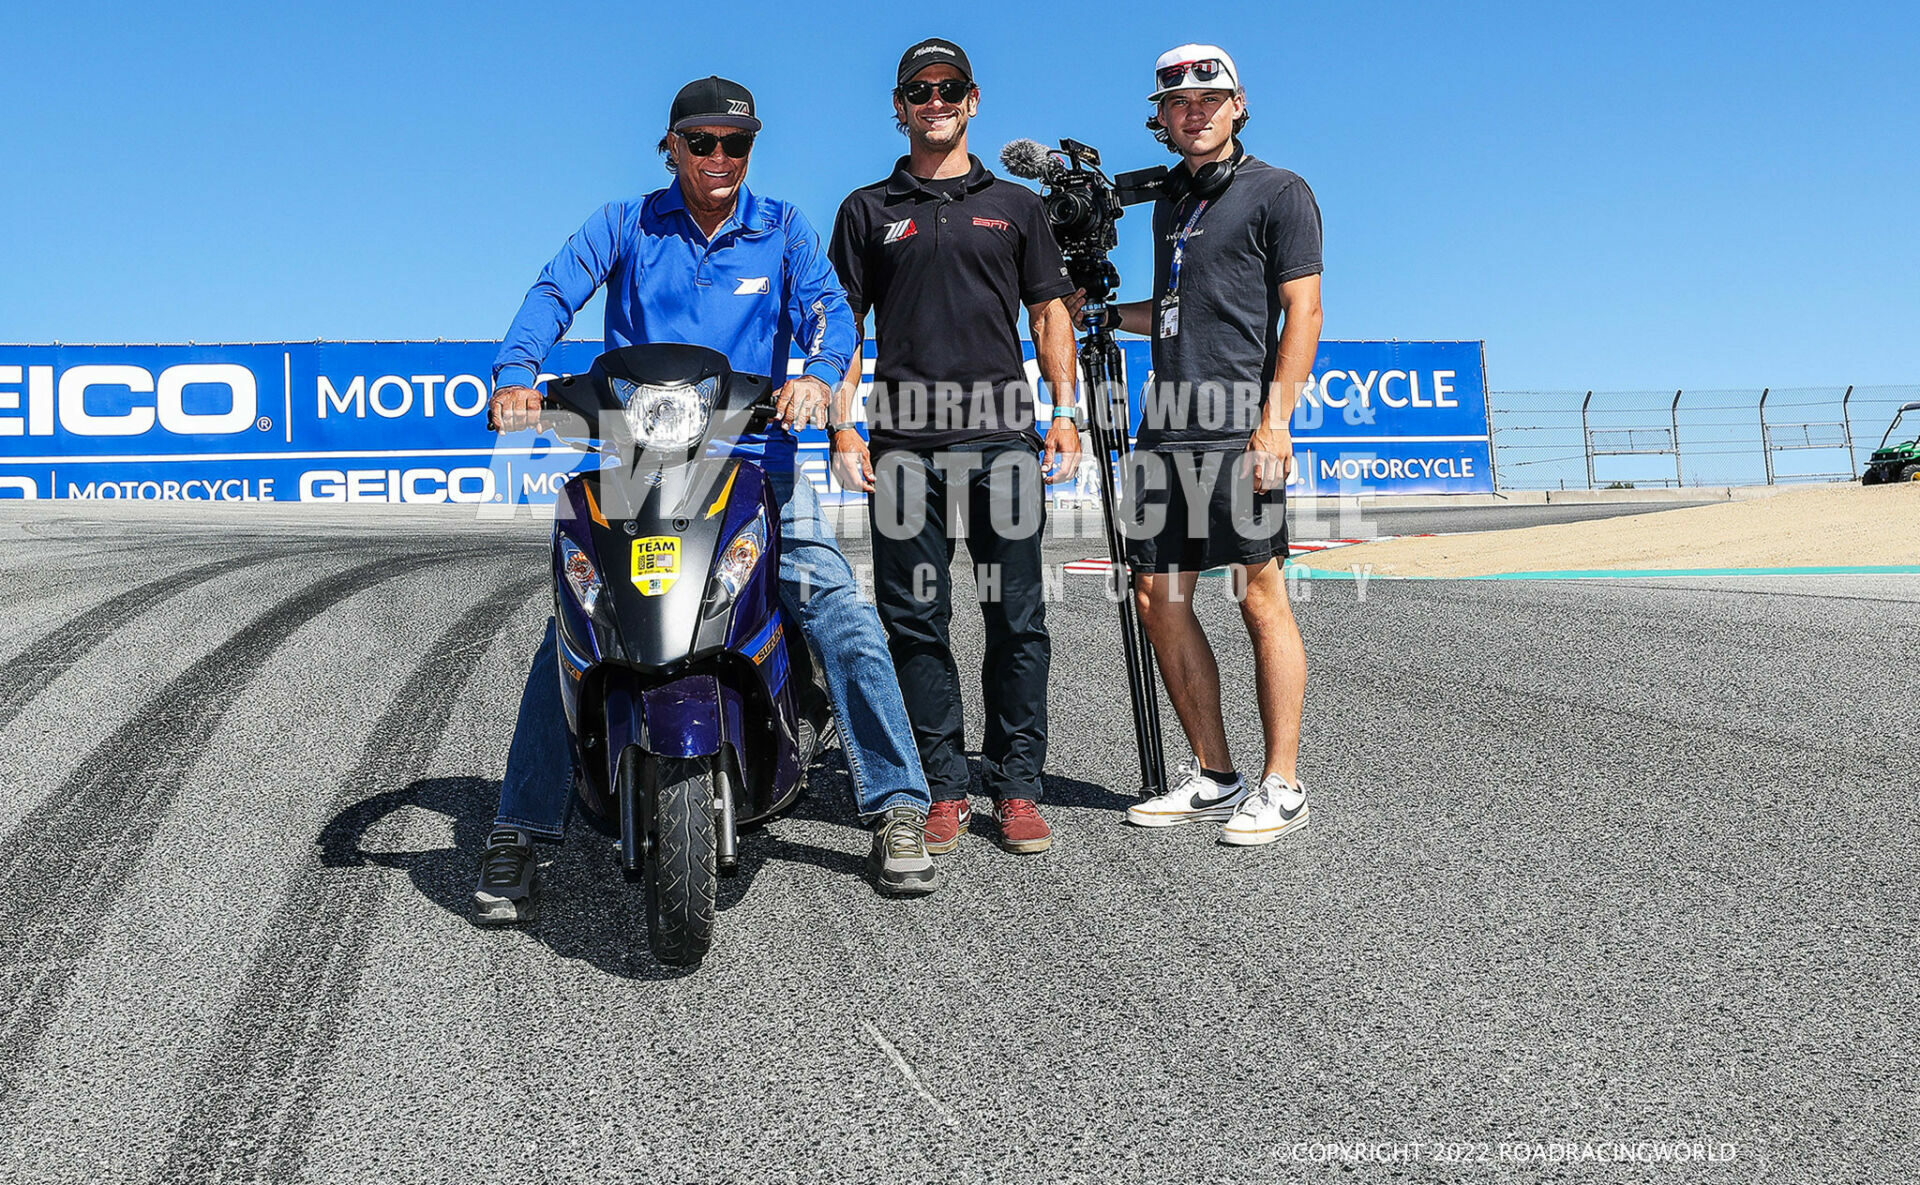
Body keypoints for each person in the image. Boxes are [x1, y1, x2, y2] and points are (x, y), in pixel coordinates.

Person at [473, 76, 938, 921]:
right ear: (672, 147)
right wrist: (514, 376)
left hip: (757, 460)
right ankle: (519, 827)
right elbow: (552, 293)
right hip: (632, 462)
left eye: (737, 143)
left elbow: (832, 313)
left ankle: (897, 805)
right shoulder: (625, 223)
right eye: (703, 142)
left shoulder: (784, 228)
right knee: (577, 623)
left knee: (840, 609)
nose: (720, 158)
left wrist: (818, 379)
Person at [827, 38, 1082, 856]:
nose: (935, 102)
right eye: (918, 91)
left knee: (1017, 615)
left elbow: (1049, 314)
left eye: (949, 89)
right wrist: (843, 425)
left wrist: (1066, 410)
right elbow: (842, 329)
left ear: (973, 100)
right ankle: (940, 783)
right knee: (914, 619)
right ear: (899, 108)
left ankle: (1017, 785)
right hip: (903, 448)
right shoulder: (867, 209)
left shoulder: (1017, 206)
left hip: (1005, 440)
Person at [1069, 44, 1323, 845]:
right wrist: (1110, 316)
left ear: (1239, 104)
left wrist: (1274, 419)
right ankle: (1216, 773)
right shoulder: (1168, 204)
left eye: (1209, 98)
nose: (1195, 110)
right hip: (1164, 426)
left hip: (1237, 424)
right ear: (1162, 117)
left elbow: (1303, 312)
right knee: (1155, 597)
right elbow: (1180, 307)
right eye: (1178, 102)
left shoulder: (1280, 192)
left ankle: (1283, 782)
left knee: (1258, 593)